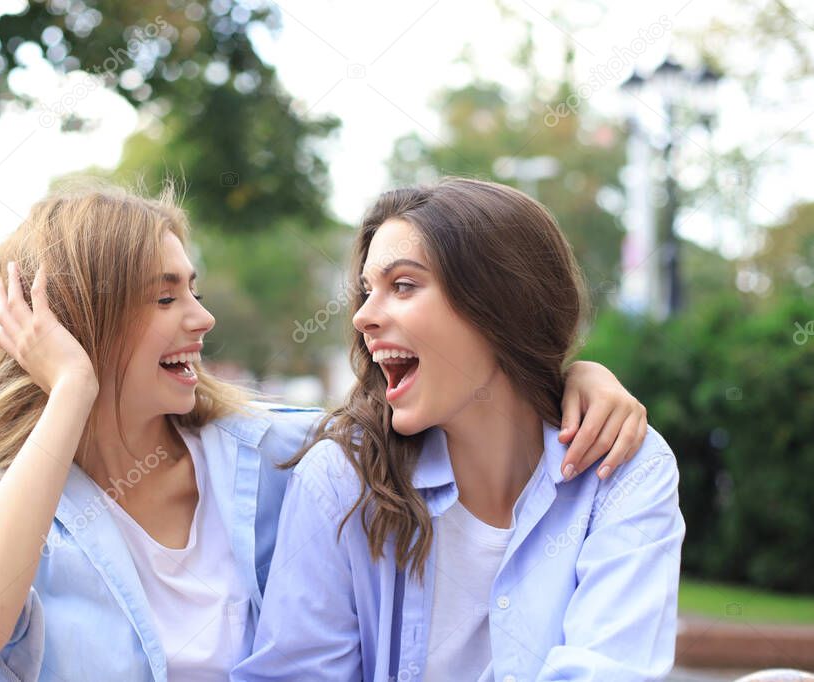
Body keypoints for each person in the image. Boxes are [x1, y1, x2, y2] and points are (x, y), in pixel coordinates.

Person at [0, 180, 650, 681]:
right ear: (76, 323)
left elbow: (441, 411)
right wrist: (70, 391)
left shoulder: (271, 457)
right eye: (165, 298)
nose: (201, 318)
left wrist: (565, 378)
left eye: (192, 290)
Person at [235, 178, 684, 682]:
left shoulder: (624, 468)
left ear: (501, 303)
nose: (363, 317)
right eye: (366, 291)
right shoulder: (341, 478)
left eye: (402, 286)